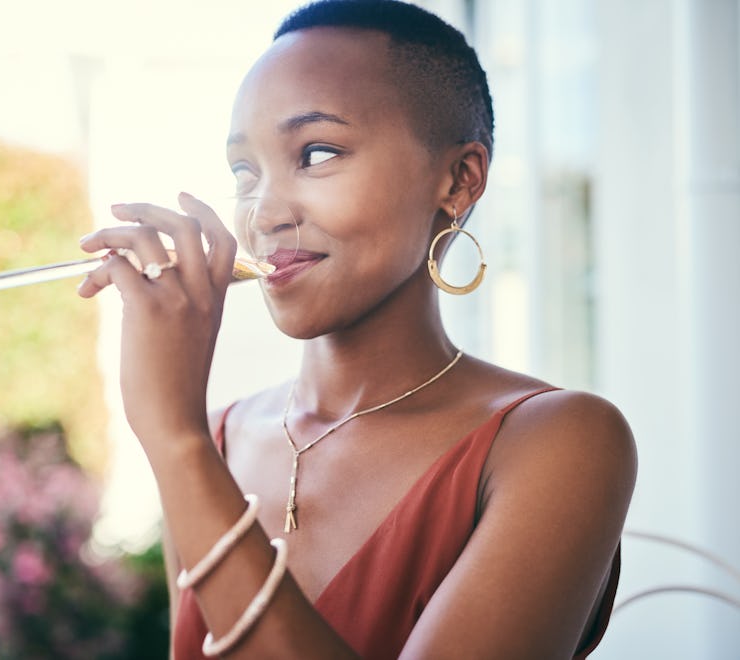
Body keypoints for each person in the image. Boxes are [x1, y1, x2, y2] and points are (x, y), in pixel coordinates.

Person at [77, 1, 637, 657]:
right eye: (244, 171)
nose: (264, 212)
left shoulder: (560, 442)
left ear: (458, 181)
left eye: (316, 153)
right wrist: (186, 440)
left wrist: (174, 439)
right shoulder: (222, 438)